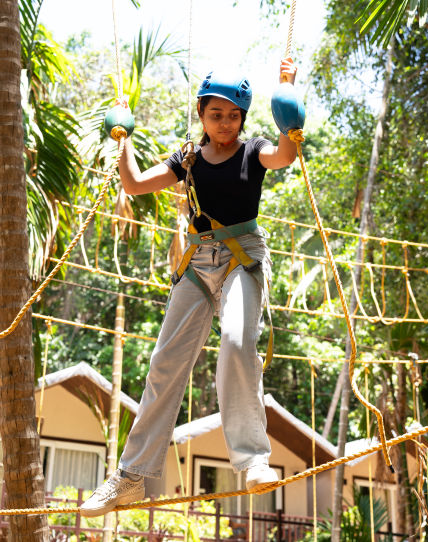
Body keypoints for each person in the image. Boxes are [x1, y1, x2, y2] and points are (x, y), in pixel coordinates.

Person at [80, 58, 298, 517]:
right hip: (198, 260)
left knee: (238, 343)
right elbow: (135, 185)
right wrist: (123, 138)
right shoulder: (189, 158)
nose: (225, 123)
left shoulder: (253, 150)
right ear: (202, 114)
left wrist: (287, 97)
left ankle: (255, 459)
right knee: (164, 362)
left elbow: (284, 157)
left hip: (243, 256)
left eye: (233, 115)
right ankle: (132, 476)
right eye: (216, 114)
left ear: (243, 118)